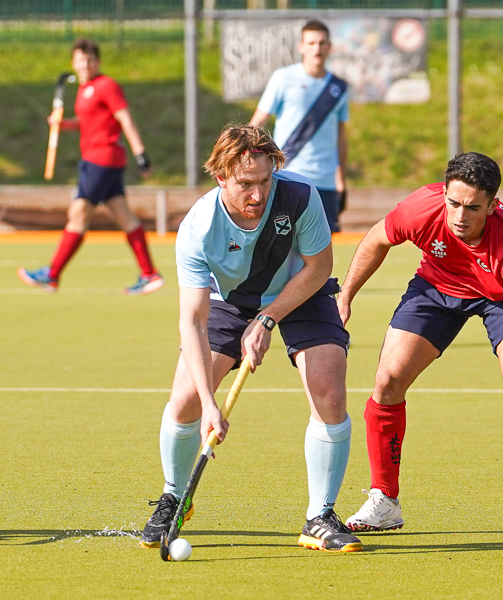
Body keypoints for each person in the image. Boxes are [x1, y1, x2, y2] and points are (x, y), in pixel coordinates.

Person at [336, 152, 503, 539]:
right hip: (436, 287)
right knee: (387, 380)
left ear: (492, 205)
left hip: (500, 298)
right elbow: (376, 239)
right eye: (453, 203)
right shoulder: (421, 208)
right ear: (444, 193)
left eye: (472, 208)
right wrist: (345, 295)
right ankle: (384, 500)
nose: (459, 216)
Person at [139, 125, 362, 553]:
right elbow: (192, 321)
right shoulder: (199, 228)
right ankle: (174, 496)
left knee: (329, 392)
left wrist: (268, 318)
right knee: (184, 399)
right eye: (245, 184)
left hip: (301, 291)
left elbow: (318, 267)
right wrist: (208, 404)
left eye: (264, 181)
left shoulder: (299, 196)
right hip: (230, 300)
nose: (257, 195)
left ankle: (320, 514)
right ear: (221, 177)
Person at [17, 38, 163, 295]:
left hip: (102, 160)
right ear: (73, 62)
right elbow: (88, 122)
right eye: (80, 60)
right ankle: (149, 274)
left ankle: (51, 274)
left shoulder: (107, 86)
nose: (85, 64)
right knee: (123, 215)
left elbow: (124, 119)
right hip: (97, 160)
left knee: (78, 212)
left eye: (90, 59)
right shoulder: (86, 90)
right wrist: (63, 124)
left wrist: (140, 153)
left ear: (98, 61)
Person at [250, 19, 349, 234]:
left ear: (329, 47)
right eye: (311, 43)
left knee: (322, 250)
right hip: (288, 175)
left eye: (322, 43)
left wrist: (341, 178)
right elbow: (257, 122)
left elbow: (341, 137)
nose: (317, 48)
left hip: (325, 181)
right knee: (282, 244)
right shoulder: (283, 78)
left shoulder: (339, 88)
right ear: (301, 47)